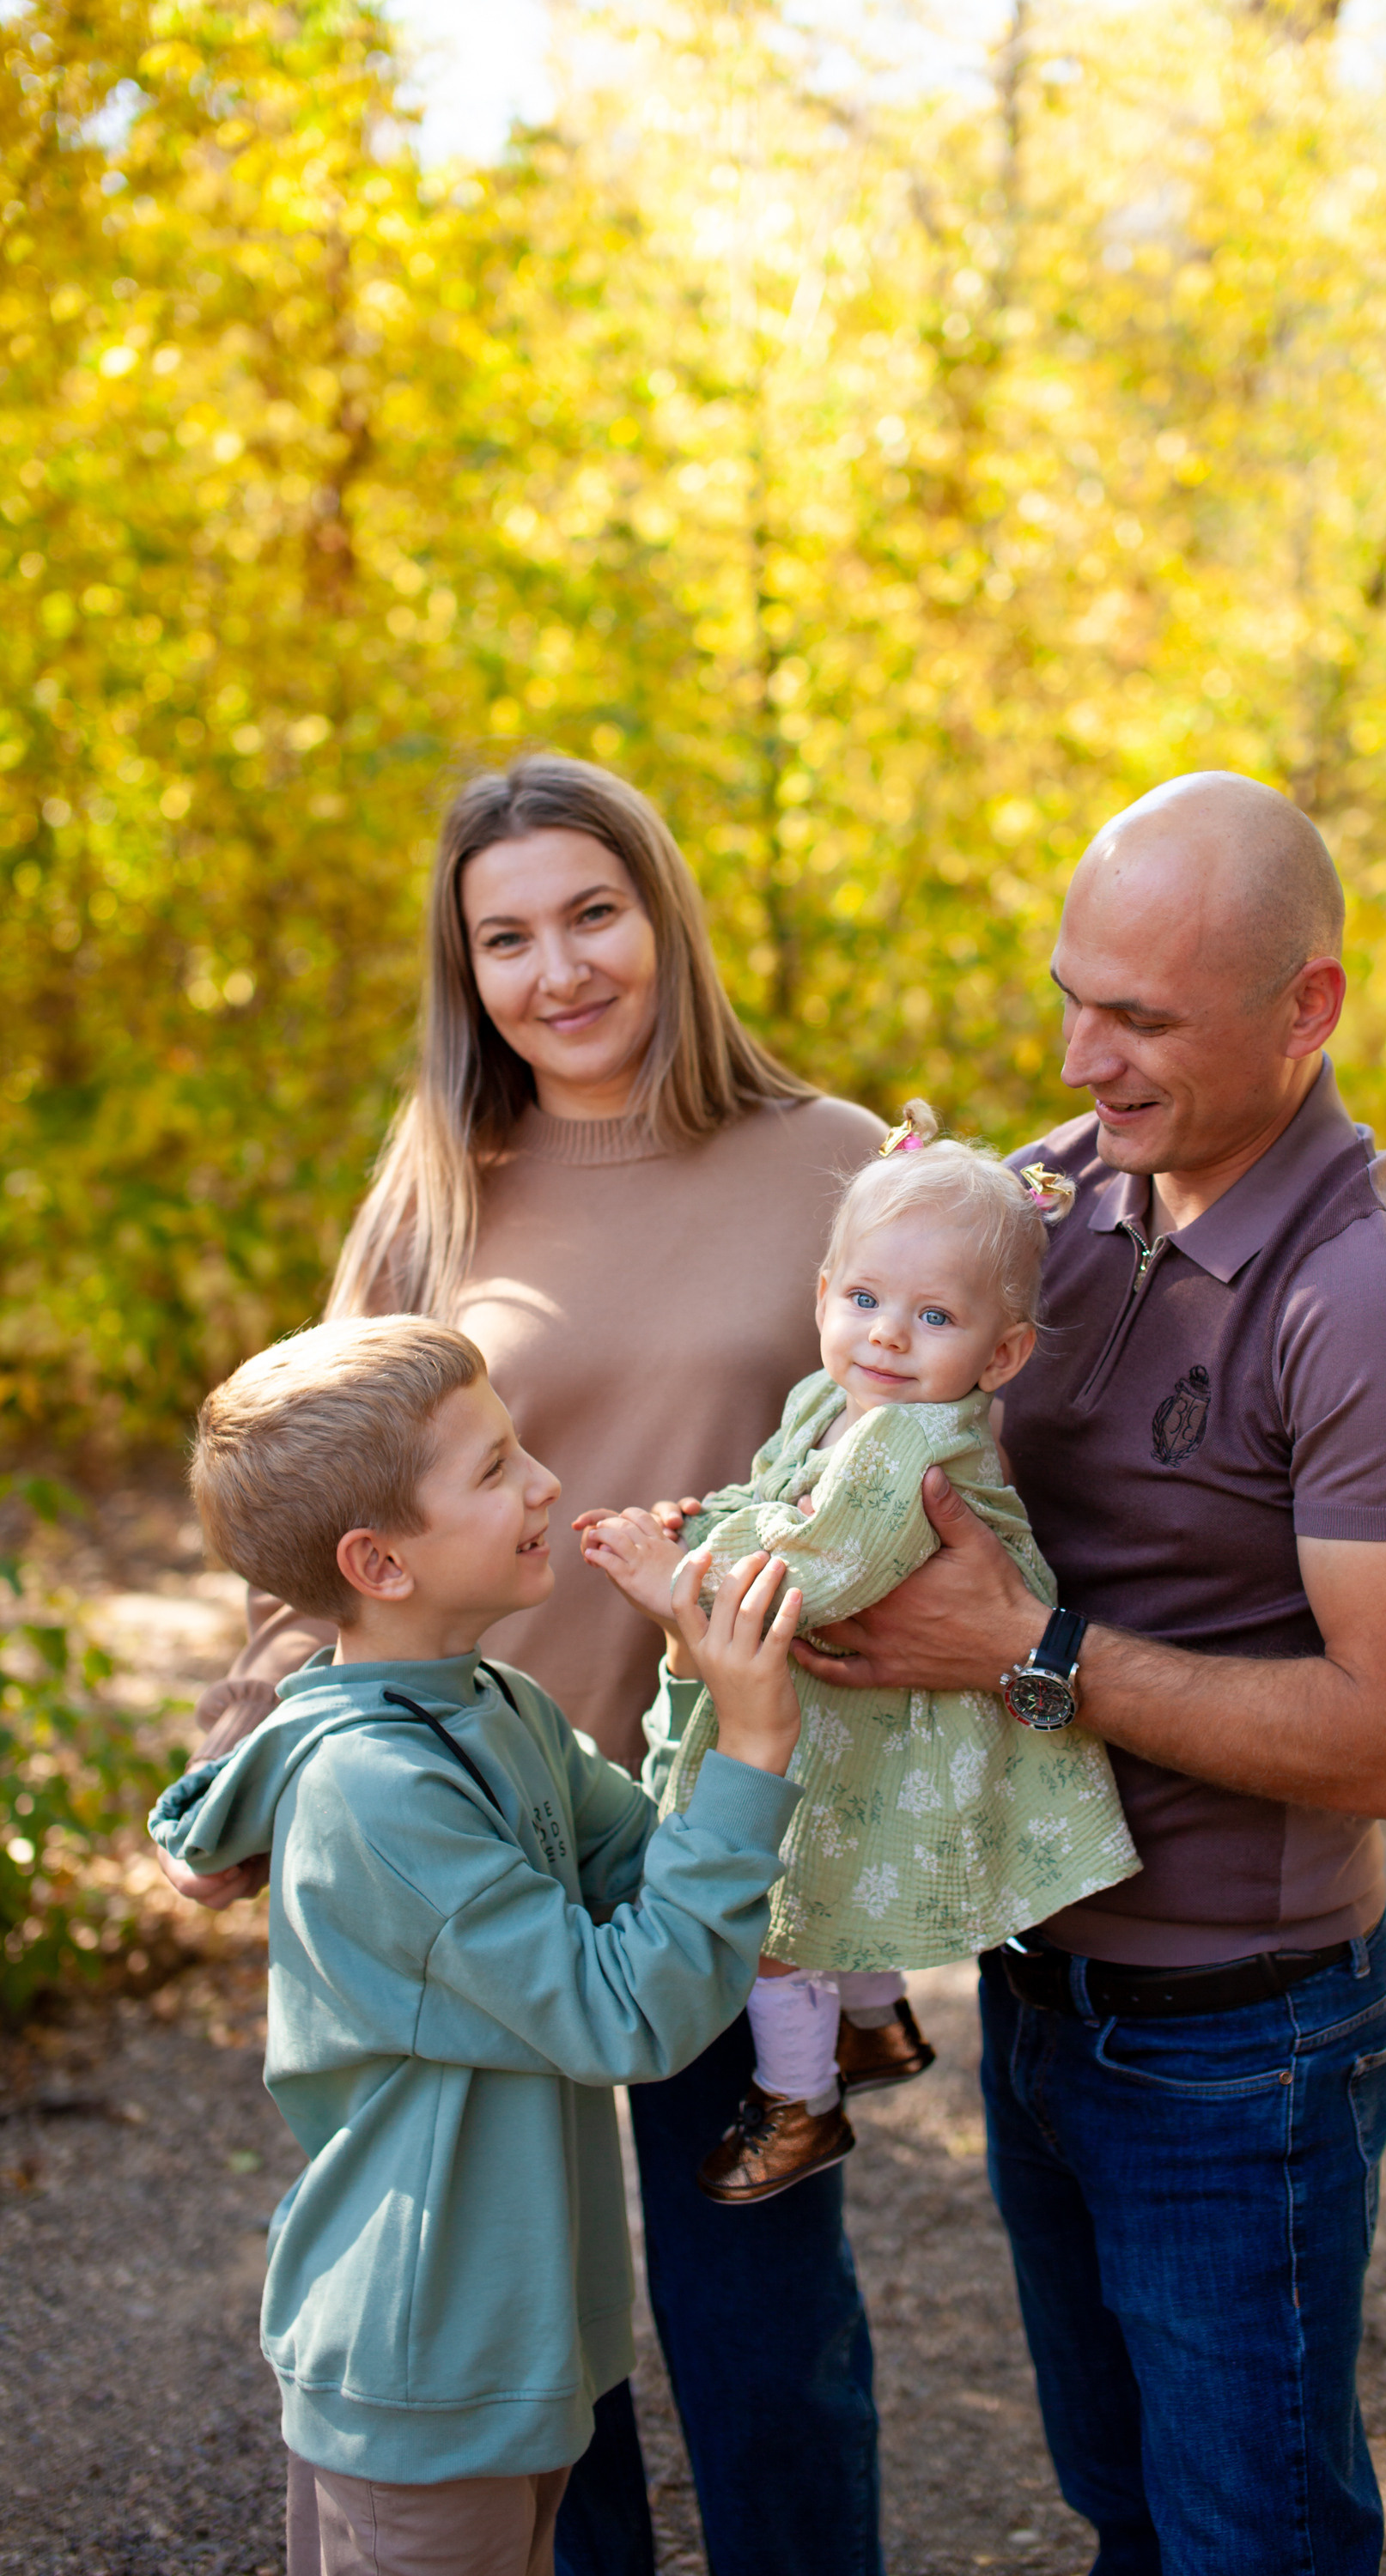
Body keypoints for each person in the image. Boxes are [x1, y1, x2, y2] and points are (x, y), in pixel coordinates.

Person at [167, 756, 887, 2576]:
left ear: (661, 917)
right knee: (531, 2340)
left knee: (763, 2338)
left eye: (591, 913)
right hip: (476, 1841)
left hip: (712, 1836)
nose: (556, 970)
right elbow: (320, 1487)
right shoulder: (437, 1185)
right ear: (463, 966)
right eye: (505, 938)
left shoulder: (836, 1162)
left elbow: (929, 1447)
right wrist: (259, 1753)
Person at [793, 772, 1386, 2575]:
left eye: (1140, 1019)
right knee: (1122, 2511)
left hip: (1237, 2042)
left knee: (1245, 2536)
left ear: (1308, 1009)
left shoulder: (1376, 1304)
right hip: (1042, 1994)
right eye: (1068, 995)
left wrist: (1022, 1653)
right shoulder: (1057, 1203)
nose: (1080, 1055)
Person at [150, 1315, 809, 2576]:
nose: (548, 1485)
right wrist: (752, 1744)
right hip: (423, 2361)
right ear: (380, 1563)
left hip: (509, 2339)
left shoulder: (494, 1704)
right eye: (497, 1467)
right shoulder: (377, 1792)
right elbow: (629, 2013)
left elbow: (644, 1879)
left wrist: (688, 1671)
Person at [580, 1102, 1138, 2203]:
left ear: (1002, 1352)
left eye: (934, 1316)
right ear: (823, 1295)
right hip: (868, 1707)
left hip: (900, 1691)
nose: (886, 1334)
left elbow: (809, 1570)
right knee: (835, 1848)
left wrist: (675, 1578)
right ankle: (874, 2028)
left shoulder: (906, 1437)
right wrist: (709, 1522)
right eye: (865, 1299)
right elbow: (775, 1496)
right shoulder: (835, 1400)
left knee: (775, 1910)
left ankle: (800, 2107)